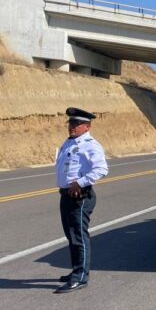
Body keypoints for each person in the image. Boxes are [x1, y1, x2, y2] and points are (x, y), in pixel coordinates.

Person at [54, 107, 108, 294]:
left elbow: (101, 169)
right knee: (71, 235)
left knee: (79, 236)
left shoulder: (91, 145)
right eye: (71, 123)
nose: (72, 127)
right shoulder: (69, 142)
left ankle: (81, 277)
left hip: (80, 196)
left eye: (77, 124)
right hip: (66, 195)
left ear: (87, 126)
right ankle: (76, 270)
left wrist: (80, 182)